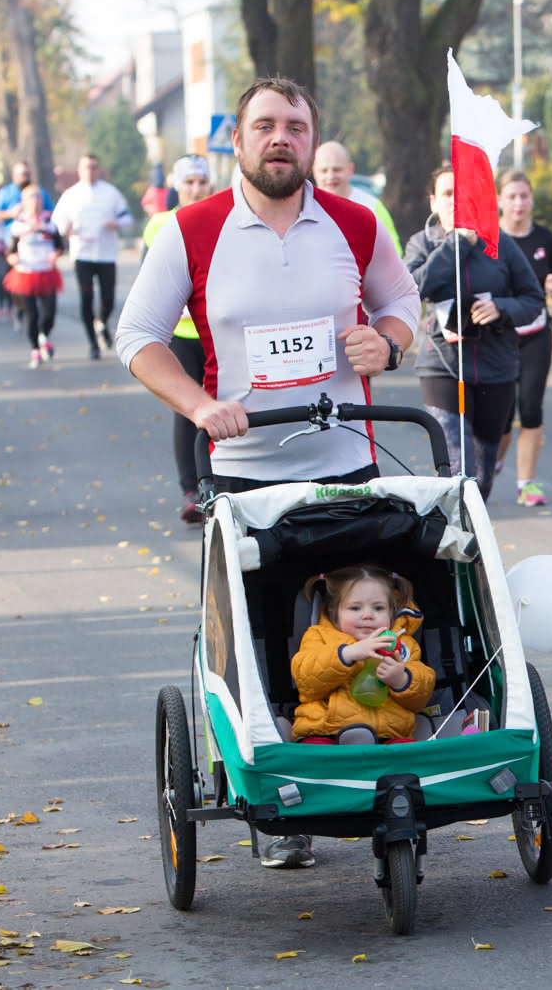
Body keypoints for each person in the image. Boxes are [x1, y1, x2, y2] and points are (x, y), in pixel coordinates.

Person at [115, 77, 419, 872]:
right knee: (255, 637)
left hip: (348, 464)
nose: (280, 137)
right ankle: (276, 803)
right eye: (264, 125)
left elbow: (404, 305)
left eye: (295, 126)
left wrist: (387, 342)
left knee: (354, 622)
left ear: (313, 139)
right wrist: (199, 402)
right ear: (239, 140)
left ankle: (376, 773)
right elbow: (138, 335)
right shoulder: (192, 229)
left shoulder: (354, 223)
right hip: (246, 472)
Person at [402, 162, 545, 502]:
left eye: (461, 193)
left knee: (481, 474)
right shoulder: (421, 244)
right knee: (457, 468)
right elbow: (411, 289)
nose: (455, 200)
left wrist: (501, 308)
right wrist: (456, 245)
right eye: (447, 194)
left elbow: (533, 300)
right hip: (442, 366)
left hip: (496, 367)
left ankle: (471, 536)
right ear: (434, 201)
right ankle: (458, 545)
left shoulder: (500, 244)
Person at [139, 154, 215, 523]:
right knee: (189, 409)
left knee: (228, 405)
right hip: (182, 332)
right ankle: (193, 488)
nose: (196, 189)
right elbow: (148, 280)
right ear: (177, 188)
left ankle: (225, 483)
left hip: (218, 331)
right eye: (189, 184)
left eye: (202, 182)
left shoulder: (224, 218)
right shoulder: (160, 225)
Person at [291, 565, 434, 746]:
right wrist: (347, 654)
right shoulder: (319, 636)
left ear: (391, 613)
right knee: (313, 752)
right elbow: (305, 679)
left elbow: (421, 696)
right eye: (355, 608)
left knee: (409, 754)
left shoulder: (403, 645)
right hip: (326, 730)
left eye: (378, 608)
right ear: (335, 613)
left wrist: (402, 680)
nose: (367, 615)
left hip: (388, 734)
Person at [492, 169, 552, 507]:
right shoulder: (489, 240)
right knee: (503, 414)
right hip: (500, 336)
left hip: (537, 333)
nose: (518, 203)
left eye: (524, 196)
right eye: (511, 196)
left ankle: (527, 483)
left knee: (531, 407)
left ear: (532, 199)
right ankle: (493, 460)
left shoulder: (546, 240)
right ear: (499, 201)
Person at [51, 154, 135, 360]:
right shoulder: (71, 195)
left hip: (106, 253)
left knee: (108, 297)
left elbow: (127, 218)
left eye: (94, 167)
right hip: (82, 254)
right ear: (80, 170)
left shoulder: (111, 193)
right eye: (86, 167)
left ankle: (102, 322)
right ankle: (92, 343)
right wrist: (66, 229)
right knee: (86, 297)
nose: (90, 171)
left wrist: (116, 224)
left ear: (99, 169)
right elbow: (57, 222)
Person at [3, 186, 65, 368]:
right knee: (32, 313)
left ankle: (44, 334)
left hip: (46, 271)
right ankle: (35, 349)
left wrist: (57, 254)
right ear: (23, 201)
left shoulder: (50, 223)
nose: (35, 200)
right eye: (31, 197)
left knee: (49, 313)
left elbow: (60, 246)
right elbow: (9, 252)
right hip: (25, 273)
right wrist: (12, 258)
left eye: (38, 197)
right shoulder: (18, 226)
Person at [0, 163, 53, 322]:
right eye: (22, 174)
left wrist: (40, 217)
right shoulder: (6, 193)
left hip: (38, 246)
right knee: (16, 284)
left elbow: (52, 211)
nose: (25, 177)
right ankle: (20, 307)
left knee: (41, 288)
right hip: (14, 244)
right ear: (14, 176)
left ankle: (37, 316)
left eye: (27, 173)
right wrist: (11, 213)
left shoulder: (38, 191)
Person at [313, 140, 401, 253]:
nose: (330, 176)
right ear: (314, 171)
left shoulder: (372, 207)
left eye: (337, 170)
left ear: (351, 169)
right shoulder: (301, 208)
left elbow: (393, 252)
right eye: (324, 171)